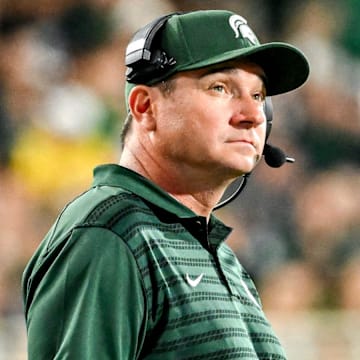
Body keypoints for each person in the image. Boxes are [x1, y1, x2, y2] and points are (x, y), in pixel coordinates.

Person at [22, 10, 309, 359]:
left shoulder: (216, 254)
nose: (251, 116)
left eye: (259, 96)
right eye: (220, 88)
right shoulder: (110, 234)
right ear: (145, 107)